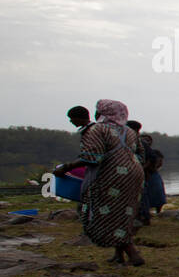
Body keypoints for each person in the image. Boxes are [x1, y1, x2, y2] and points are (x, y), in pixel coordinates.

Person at [53, 100, 147, 266]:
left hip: (111, 175)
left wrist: (65, 168)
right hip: (134, 174)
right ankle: (119, 254)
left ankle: (133, 253)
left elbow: (92, 157)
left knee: (103, 212)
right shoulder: (129, 131)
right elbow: (141, 155)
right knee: (123, 212)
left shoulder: (97, 129)